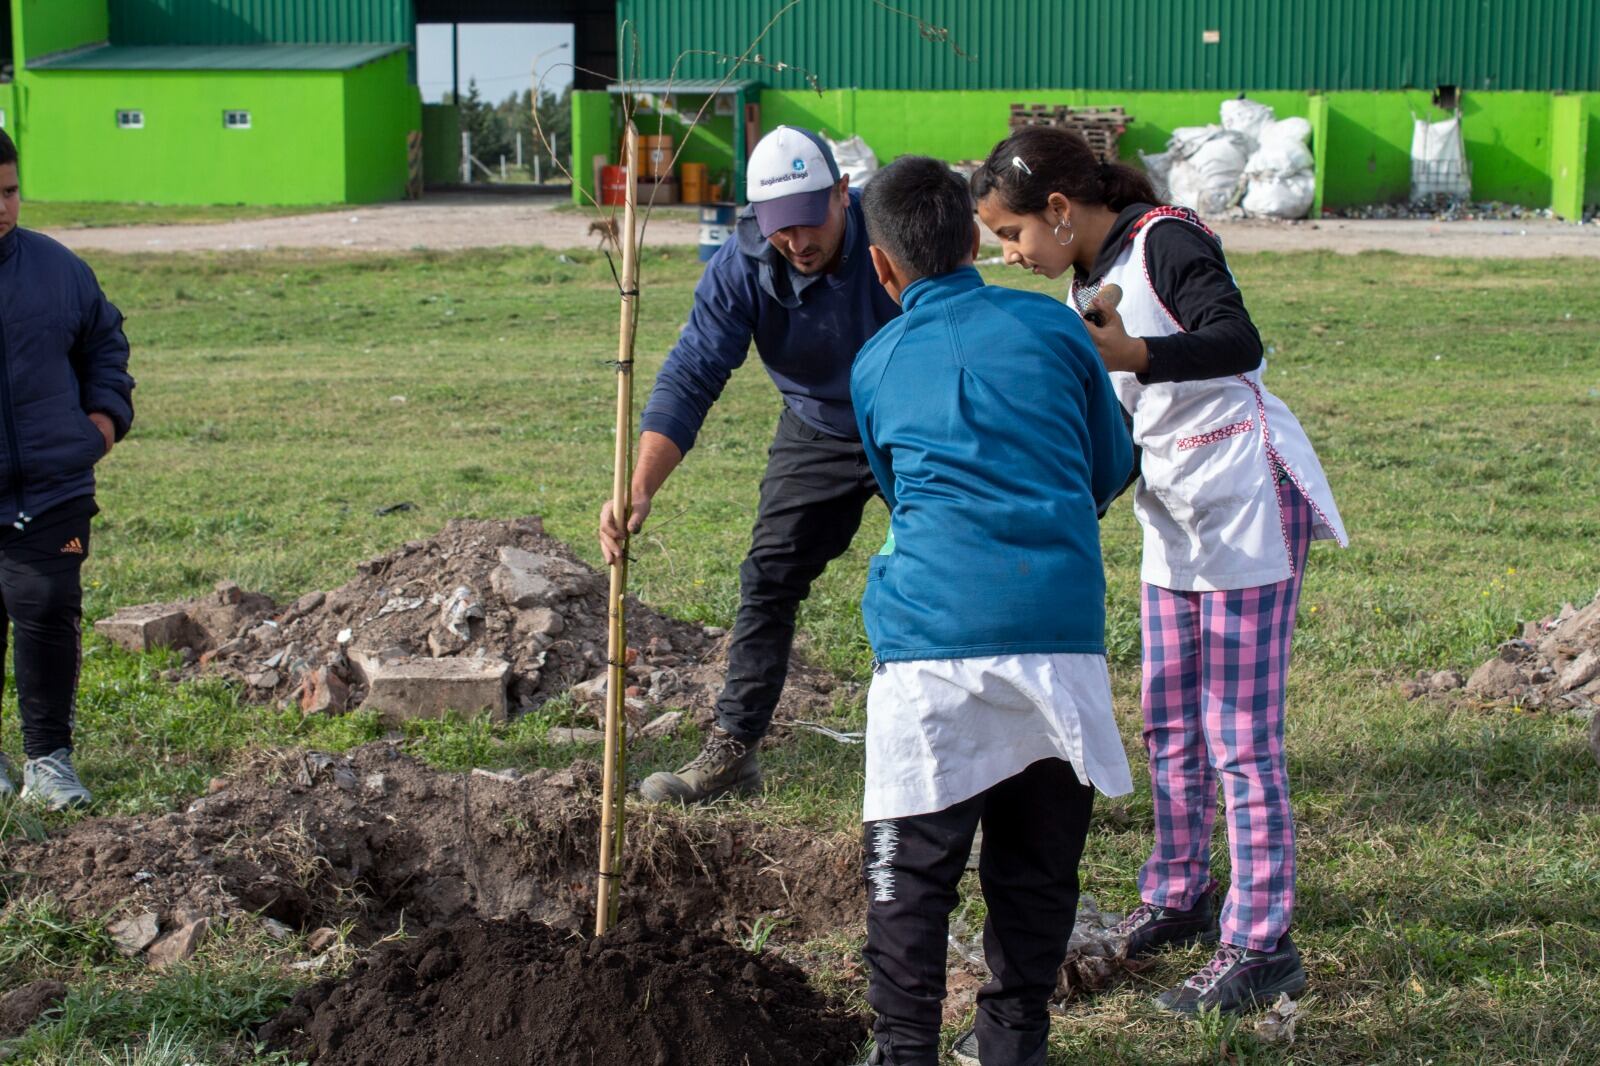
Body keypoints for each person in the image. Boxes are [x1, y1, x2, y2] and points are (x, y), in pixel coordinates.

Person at [973, 125, 1348, 1015]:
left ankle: (1263, 943)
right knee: (1170, 721)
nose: (1007, 253)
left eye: (1012, 233)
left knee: (1241, 737)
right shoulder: (1083, 276)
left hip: (1246, 501)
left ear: (1059, 211)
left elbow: (1237, 341)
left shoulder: (1167, 240)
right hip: (1177, 514)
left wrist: (1137, 354)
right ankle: (1179, 895)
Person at [850, 156, 1133, 1066]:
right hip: (1060, 644)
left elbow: (899, 492)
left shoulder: (876, 362)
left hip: (930, 647)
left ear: (882, 267)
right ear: (976, 238)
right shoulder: (1054, 328)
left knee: (912, 876)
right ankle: (1014, 1040)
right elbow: (1109, 466)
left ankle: (906, 1050)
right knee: (1038, 867)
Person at [597, 126, 899, 804]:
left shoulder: (893, 240)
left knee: (939, 578)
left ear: (843, 195)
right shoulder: (742, 267)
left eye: (808, 222)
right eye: (779, 229)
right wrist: (640, 484)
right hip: (817, 425)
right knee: (768, 579)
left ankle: (958, 763)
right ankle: (735, 752)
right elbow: (694, 372)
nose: (797, 243)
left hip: (911, 425)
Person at [0, 128, 136, 810]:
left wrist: (103, 422)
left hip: (51, 485)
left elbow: (104, 344)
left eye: (9, 190)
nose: (1, 206)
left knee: (47, 610)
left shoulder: (58, 270)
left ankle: (48, 762)